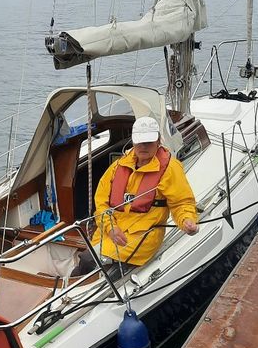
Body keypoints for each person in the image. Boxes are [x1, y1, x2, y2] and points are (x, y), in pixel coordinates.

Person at [73, 115, 198, 275]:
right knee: (87, 261)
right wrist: (111, 228)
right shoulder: (118, 166)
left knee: (91, 262)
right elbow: (101, 203)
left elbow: (182, 203)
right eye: (139, 141)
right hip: (110, 232)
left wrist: (187, 221)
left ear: (158, 141)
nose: (143, 146)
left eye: (148, 142)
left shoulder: (170, 168)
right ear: (133, 140)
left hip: (142, 236)